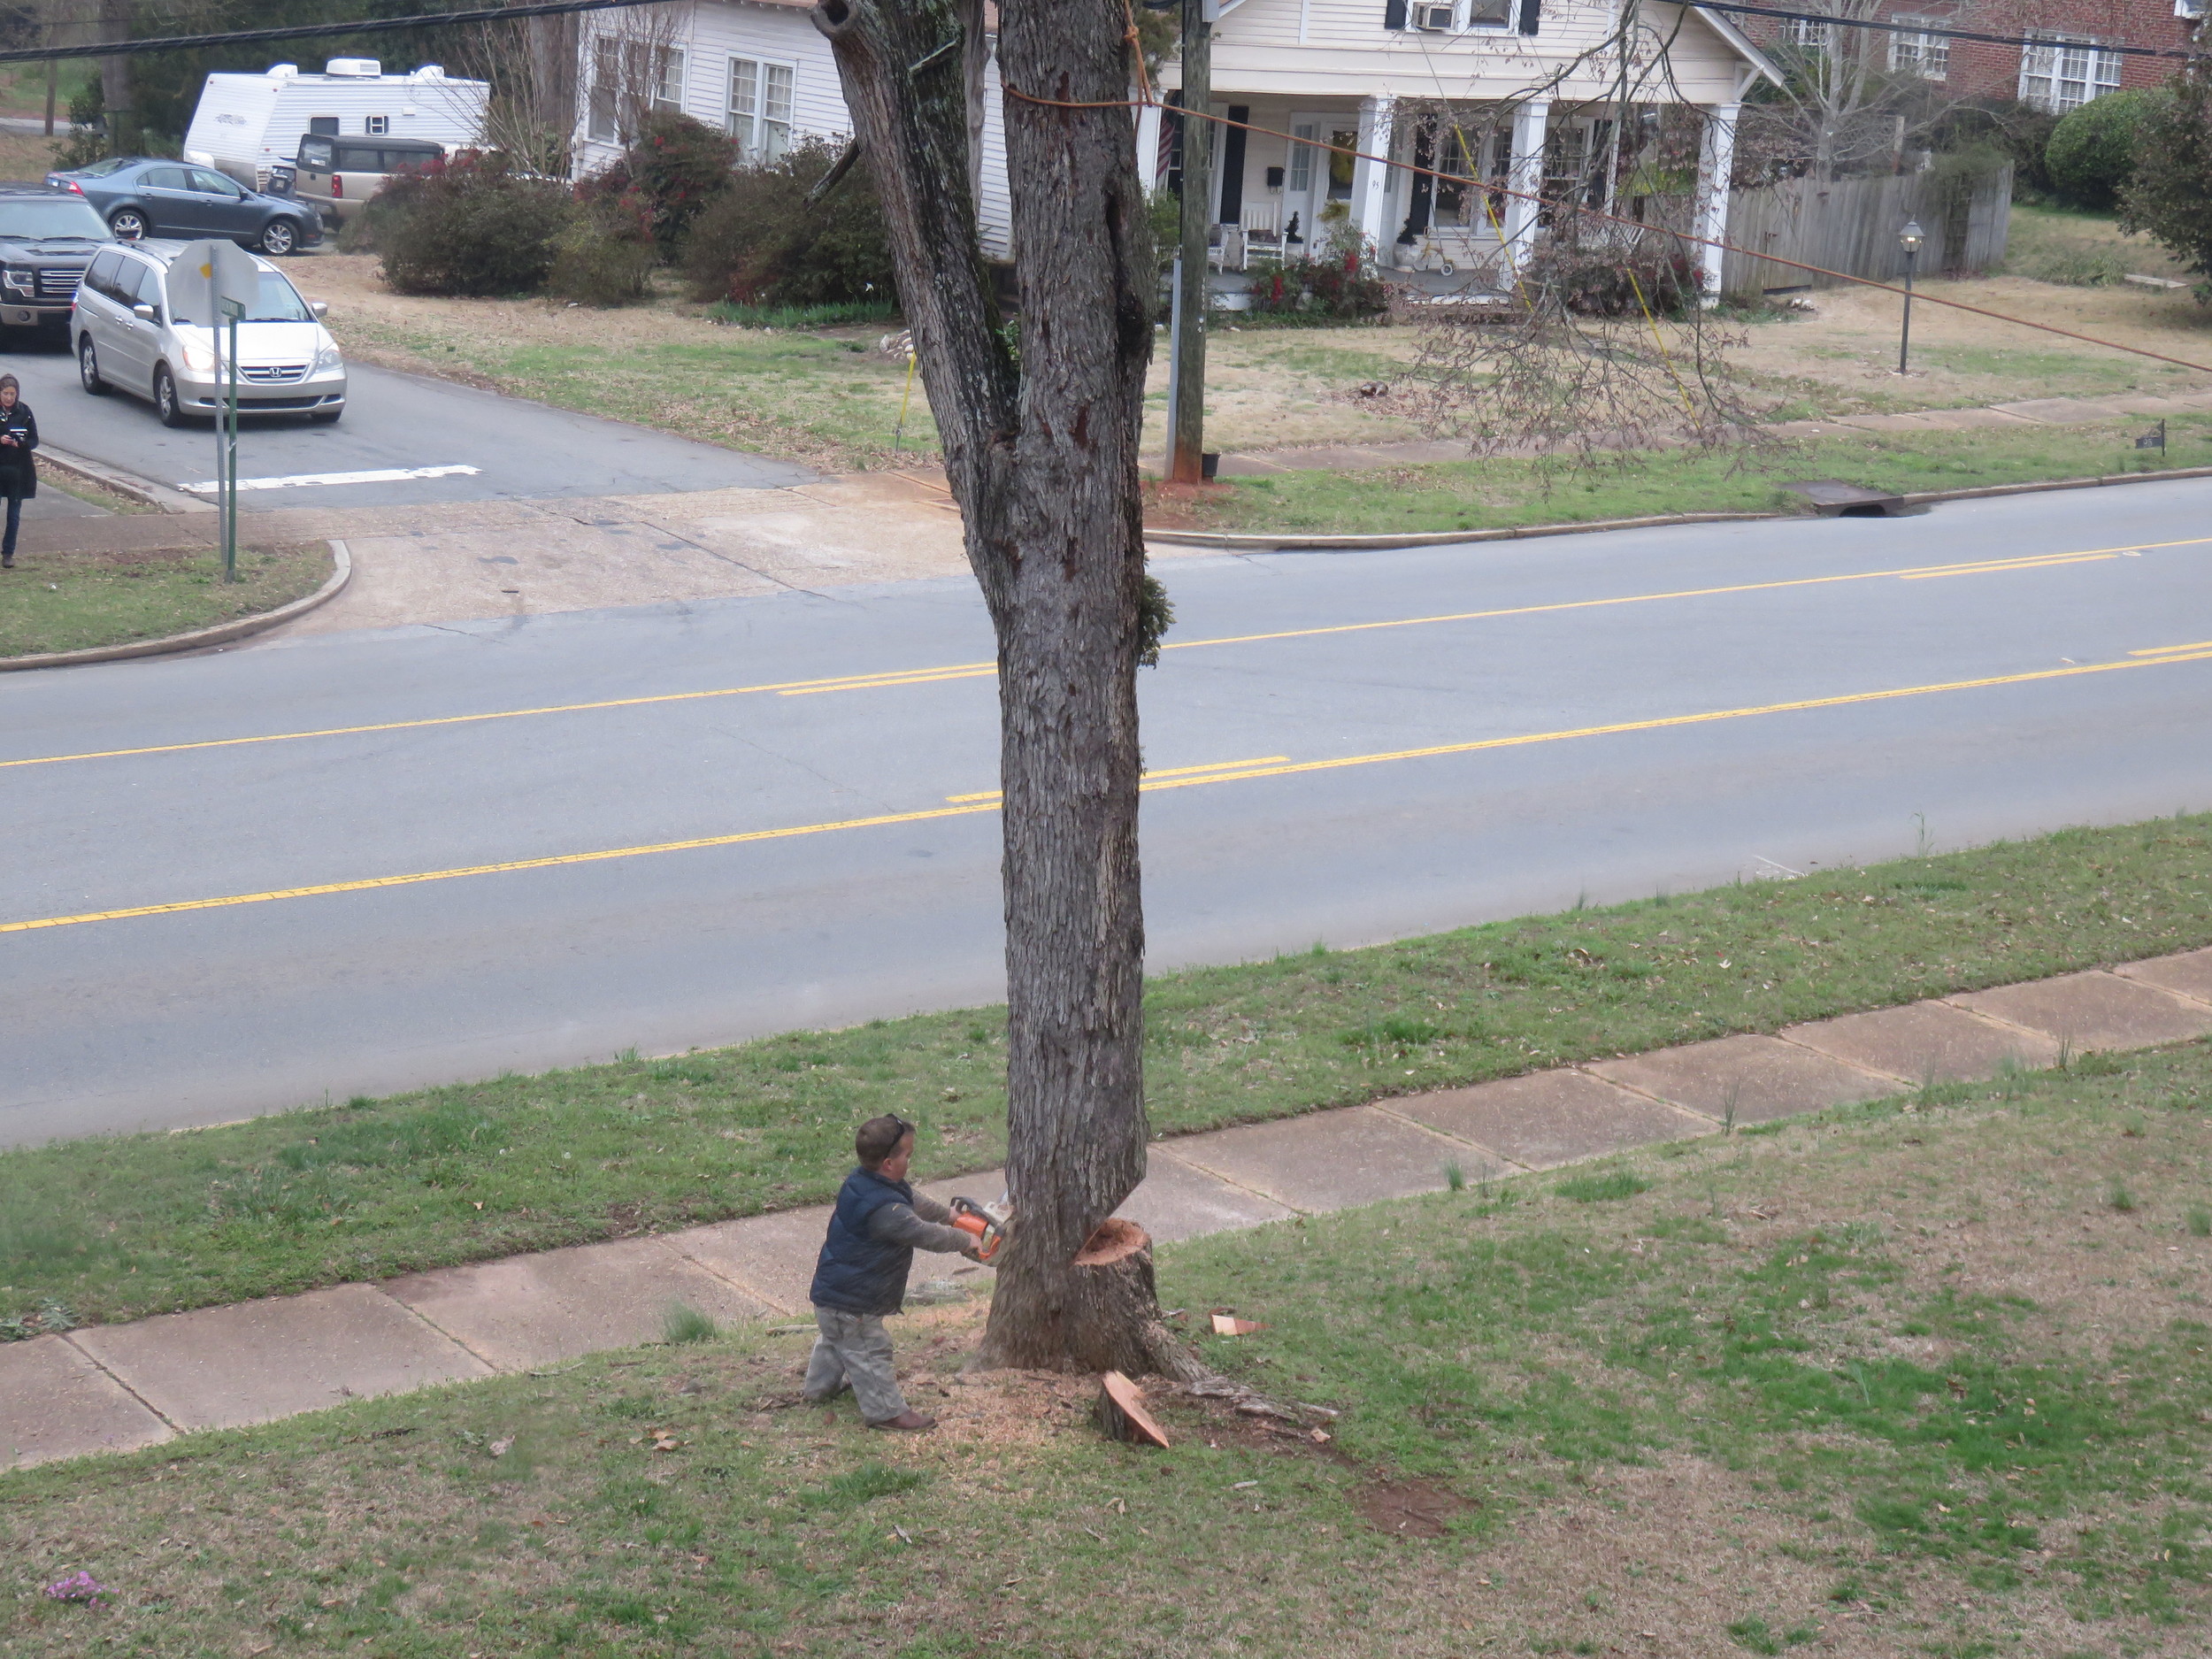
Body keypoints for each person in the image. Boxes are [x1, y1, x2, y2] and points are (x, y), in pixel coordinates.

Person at [806, 1113, 979, 1432]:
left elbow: (912, 1200)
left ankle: (819, 1389)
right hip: (855, 1300)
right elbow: (925, 1234)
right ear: (888, 1163)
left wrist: (949, 1215)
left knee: (837, 1340)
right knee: (870, 1352)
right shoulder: (887, 1213)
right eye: (907, 1156)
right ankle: (886, 1412)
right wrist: (964, 1239)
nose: (910, 1162)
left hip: (834, 1293)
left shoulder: (864, 1182)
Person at [0, 373, 35, 571]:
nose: (9, 398)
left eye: (12, 394)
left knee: (13, 515)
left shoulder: (24, 412)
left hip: (17, 469)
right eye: (5, 393)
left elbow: (34, 440)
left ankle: (8, 552)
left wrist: (21, 443)